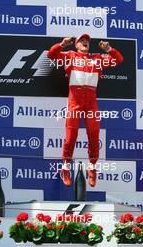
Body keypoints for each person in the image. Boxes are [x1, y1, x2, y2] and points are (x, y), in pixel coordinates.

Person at [47, 34, 123, 187]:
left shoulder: (98, 58)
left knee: (94, 137)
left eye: (87, 41)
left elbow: (118, 60)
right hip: (75, 101)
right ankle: (66, 168)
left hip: (90, 103)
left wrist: (108, 49)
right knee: (70, 137)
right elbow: (51, 54)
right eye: (81, 41)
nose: (85, 42)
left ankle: (92, 169)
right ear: (76, 45)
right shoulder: (70, 56)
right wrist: (62, 44)